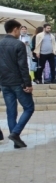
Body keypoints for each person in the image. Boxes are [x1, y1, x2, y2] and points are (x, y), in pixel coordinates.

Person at [0, 19, 35, 148]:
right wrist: (28, 84)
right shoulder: (18, 44)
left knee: (11, 111)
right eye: (20, 29)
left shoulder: (0, 43)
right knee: (29, 107)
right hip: (18, 82)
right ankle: (15, 133)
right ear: (15, 29)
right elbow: (23, 66)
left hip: (4, 82)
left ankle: (16, 140)